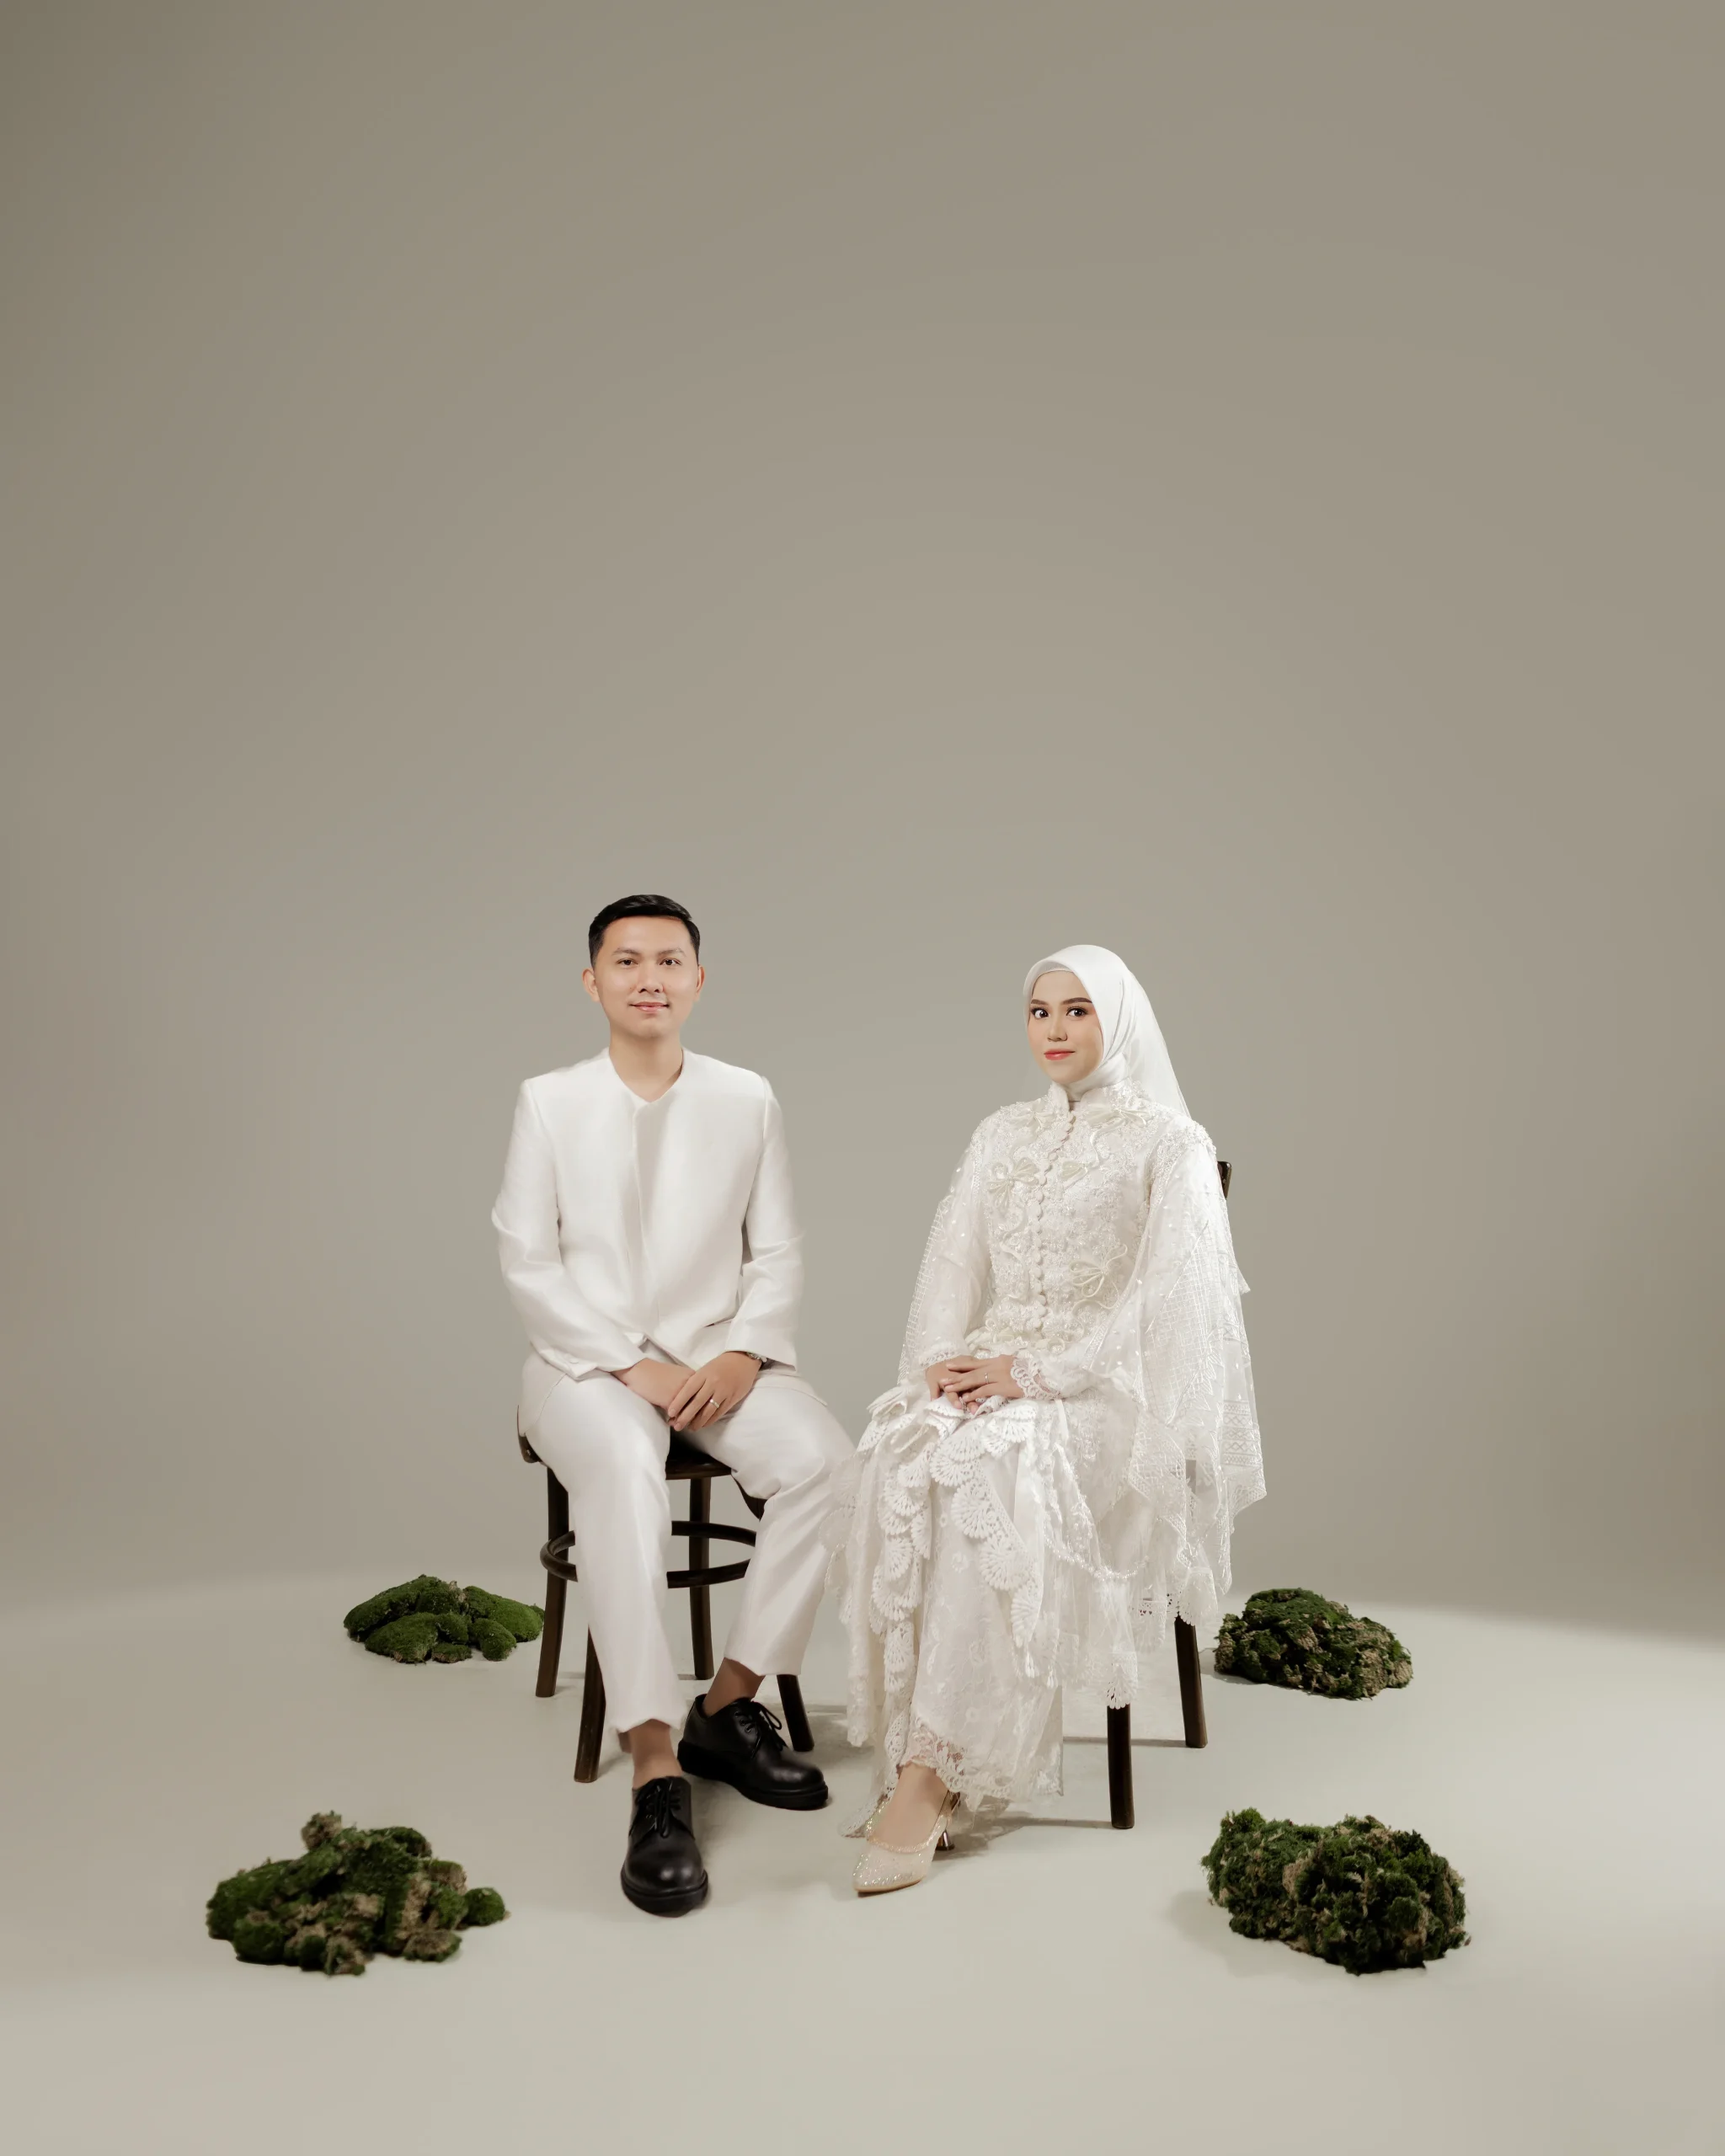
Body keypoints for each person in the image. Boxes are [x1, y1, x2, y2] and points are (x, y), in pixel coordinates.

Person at [831, 945, 1264, 1893]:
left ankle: (933, 1775)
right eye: (1039, 1011)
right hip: (993, 1367)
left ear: (1119, 1018)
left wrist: (1038, 1373)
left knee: (993, 1471)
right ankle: (916, 1746)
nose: (1056, 1030)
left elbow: (1168, 1300)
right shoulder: (1001, 1132)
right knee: (901, 1451)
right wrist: (935, 1365)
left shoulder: (1170, 1142)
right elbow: (952, 1262)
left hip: (1107, 1394)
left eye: (1078, 1010)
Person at [493, 894, 852, 1916]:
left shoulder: (747, 1097)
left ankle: (727, 1706)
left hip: (718, 1364)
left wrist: (743, 1349)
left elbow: (777, 1249)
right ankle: (654, 1764)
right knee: (621, 1466)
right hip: (582, 1369)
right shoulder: (547, 1101)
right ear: (591, 981)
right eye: (626, 960)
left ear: (698, 979)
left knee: (828, 1462)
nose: (648, 976)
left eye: (668, 959)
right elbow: (527, 1261)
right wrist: (626, 1364)